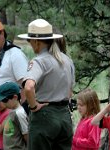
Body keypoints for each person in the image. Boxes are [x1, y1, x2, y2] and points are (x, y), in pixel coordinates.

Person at [18, 18, 75, 150]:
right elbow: (70, 91)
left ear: (36, 41)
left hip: (45, 115)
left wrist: (33, 106)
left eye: (29, 40)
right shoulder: (67, 60)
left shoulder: (39, 61)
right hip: (64, 116)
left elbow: (29, 86)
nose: (30, 44)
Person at [0, 82, 28, 150]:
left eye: (4, 100)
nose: (2, 102)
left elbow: (26, 136)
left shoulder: (19, 113)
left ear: (15, 97)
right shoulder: (11, 111)